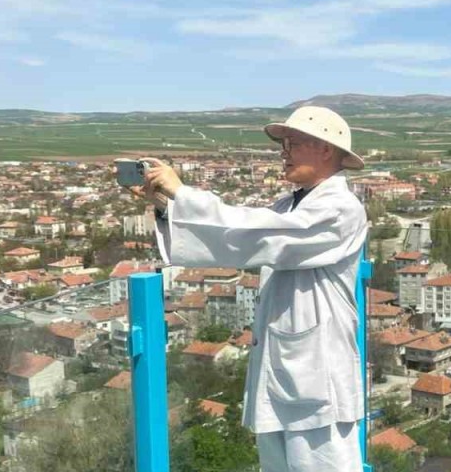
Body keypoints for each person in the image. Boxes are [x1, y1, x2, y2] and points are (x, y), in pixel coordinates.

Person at [132, 106, 368, 472]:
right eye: (283, 143)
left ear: (325, 149)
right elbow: (243, 236)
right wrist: (167, 205)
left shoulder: (341, 208)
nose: (283, 151)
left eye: (294, 143)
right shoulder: (291, 203)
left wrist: (184, 194)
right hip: (284, 366)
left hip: (318, 372)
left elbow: (266, 236)